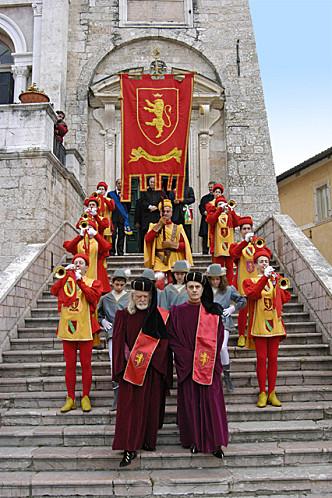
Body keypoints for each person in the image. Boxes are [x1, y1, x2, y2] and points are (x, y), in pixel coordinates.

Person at [167, 271, 229, 458]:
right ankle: (193, 440)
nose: (194, 290)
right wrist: (189, 358)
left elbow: (218, 339)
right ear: (185, 289)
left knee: (212, 403)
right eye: (191, 287)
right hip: (187, 365)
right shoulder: (177, 312)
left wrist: (205, 357)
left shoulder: (213, 312)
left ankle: (215, 442)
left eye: (197, 287)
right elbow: (173, 339)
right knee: (191, 403)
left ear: (203, 289)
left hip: (208, 365)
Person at [112, 277, 172, 467]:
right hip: (130, 371)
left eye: (145, 296)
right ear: (132, 296)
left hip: (152, 371)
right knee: (129, 410)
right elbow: (118, 343)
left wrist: (151, 361)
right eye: (138, 296)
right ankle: (129, 447)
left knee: (149, 407)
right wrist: (122, 367)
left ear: (151, 297)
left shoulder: (158, 317)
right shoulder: (123, 315)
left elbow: (164, 345)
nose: (141, 299)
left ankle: (146, 441)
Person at [50, 253, 102, 413]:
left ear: (87, 267)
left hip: (85, 327)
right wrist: (65, 276)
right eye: (76, 262)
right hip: (68, 328)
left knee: (86, 365)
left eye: (81, 262)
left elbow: (93, 297)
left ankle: (85, 396)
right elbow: (53, 291)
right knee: (70, 365)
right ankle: (70, 397)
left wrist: (79, 280)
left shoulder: (94, 282)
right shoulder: (66, 280)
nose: (78, 264)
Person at [243, 247, 291, 408]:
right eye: (261, 262)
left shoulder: (274, 280)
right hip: (259, 325)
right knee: (262, 359)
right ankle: (262, 392)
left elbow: (285, 299)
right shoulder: (249, 281)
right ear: (255, 264)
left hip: (275, 324)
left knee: (274, 359)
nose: (264, 264)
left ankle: (272, 392)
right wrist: (264, 278)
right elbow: (253, 294)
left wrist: (277, 283)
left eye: (266, 261)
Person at [206, 264, 246, 392]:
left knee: (222, 347)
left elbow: (242, 300)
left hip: (224, 321)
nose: (215, 281)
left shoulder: (229, 289)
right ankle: (210, 375)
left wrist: (232, 308)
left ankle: (227, 376)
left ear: (221, 278)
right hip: (207, 322)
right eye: (212, 279)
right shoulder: (204, 290)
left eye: (217, 279)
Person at [98, 269, 130, 410]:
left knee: (128, 362)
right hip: (112, 333)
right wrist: (102, 321)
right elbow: (99, 315)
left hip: (128, 334)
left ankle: (128, 396)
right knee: (114, 364)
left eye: (121, 284)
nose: (119, 287)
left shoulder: (129, 297)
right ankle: (117, 397)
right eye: (117, 284)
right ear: (112, 283)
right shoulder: (105, 299)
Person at [144, 199, 193, 279]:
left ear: (171, 213)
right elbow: (147, 240)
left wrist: (172, 245)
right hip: (159, 260)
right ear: (160, 213)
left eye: (168, 211)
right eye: (163, 211)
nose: (165, 213)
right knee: (159, 285)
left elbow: (185, 246)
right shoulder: (153, 226)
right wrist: (159, 225)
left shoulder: (178, 228)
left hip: (174, 261)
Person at [230, 216, 258, 347]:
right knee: (243, 310)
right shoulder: (236, 245)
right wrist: (245, 243)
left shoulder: (258, 243)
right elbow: (234, 254)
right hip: (242, 280)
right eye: (244, 229)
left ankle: (253, 335)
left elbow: (267, 255)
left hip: (256, 280)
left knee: (256, 310)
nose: (246, 231)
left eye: (249, 228)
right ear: (240, 231)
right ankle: (241, 335)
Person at [206, 183, 241, 284]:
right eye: (219, 204)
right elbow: (211, 220)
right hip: (218, 245)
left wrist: (231, 211)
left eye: (223, 204)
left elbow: (237, 223)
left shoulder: (229, 215)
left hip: (229, 245)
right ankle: (219, 285)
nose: (222, 206)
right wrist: (219, 210)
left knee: (230, 268)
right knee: (218, 267)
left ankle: (229, 285)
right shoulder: (213, 214)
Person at [107, 179, 132, 256]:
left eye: (121, 183)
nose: (120, 185)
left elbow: (129, 207)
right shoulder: (110, 194)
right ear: (116, 184)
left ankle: (120, 251)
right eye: (118, 183)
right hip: (113, 217)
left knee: (121, 235)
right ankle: (112, 251)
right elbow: (108, 206)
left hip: (122, 218)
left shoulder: (126, 195)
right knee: (113, 235)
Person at [140, 176, 165, 246]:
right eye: (151, 182)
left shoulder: (161, 192)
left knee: (157, 234)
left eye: (153, 182)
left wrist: (157, 207)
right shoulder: (144, 192)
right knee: (146, 234)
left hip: (157, 217)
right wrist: (149, 206)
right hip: (147, 217)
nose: (152, 184)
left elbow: (164, 201)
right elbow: (142, 202)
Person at [198, 181, 215, 254]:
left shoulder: (218, 198)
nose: (211, 189)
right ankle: (205, 251)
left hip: (214, 220)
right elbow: (201, 206)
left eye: (212, 187)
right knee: (205, 235)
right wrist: (204, 212)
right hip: (206, 219)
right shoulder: (204, 198)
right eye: (210, 187)